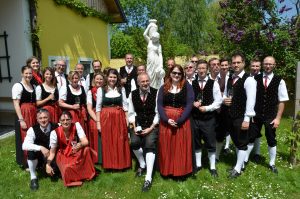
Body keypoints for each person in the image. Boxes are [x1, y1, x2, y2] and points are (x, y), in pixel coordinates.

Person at [247, 56, 289, 173]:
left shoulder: (280, 81)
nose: (268, 66)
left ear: (274, 65)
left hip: (271, 115)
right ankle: (244, 160)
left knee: (271, 138)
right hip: (256, 114)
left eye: (270, 64)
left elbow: (282, 101)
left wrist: (278, 118)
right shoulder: (255, 78)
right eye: (266, 64)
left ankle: (271, 163)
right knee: (251, 137)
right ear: (262, 65)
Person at [223, 52, 256, 178]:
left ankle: (237, 169)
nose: (236, 65)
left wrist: (247, 119)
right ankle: (239, 165)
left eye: (238, 62)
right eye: (234, 62)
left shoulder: (249, 80)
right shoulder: (230, 78)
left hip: (241, 117)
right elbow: (226, 95)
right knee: (236, 142)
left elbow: (251, 101)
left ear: (244, 63)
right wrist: (225, 100)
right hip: (231, 115)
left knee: (242, 143)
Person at [157, 65, 194, 177]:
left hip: (182, 122)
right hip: (166, 122)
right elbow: (159, 105)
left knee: (180, 147)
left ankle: (181, 171)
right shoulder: (163, 87)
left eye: (179, 73)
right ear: (170, 73)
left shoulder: (187, 86)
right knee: (167, 147)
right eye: (174, 73)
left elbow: (189, 104)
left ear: (182, 75)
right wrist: (166, 119)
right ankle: (167, 170)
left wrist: (180, 120)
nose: (176, 75)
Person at [46, 111, 97, 187]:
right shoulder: (54, 133)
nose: (65, 122)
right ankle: (77, 176)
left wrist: (80, 144)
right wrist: (48, 164)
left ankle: (84, 174)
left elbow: (86, 141)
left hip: (76, 152)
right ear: (59, 121)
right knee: (67, 169)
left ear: (71, 120)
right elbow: (52, 152)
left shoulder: (76, 126)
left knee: (87, 149)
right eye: (63, 120)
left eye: (67, 119)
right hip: (63, 155)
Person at [128, 72, 159, 192]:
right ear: (138, 83)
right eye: (143, 81)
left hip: (153, 125)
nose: (145, 83)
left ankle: (148, 178)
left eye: (147, 81)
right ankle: (142, 164)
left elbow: (158, 113)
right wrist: (135, 126)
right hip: (138, 125)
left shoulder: (156, 93)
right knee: (134, 143)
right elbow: (131, 112)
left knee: (149, 144)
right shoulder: (133, 94)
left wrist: (151, 128)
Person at [191, 60, 222, 177]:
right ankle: (198, 165)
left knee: (210, 142)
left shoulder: (213, 83)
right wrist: (193, 103)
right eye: (199, 68)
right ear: (196, 70)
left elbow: (218, 101)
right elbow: (188, 100)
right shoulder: (191, 83)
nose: (202, 70)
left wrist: (208, 108)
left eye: (204, 68)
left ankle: (212, 167)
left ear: (207, 69)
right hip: (195, 118)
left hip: (209, 118)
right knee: (197, 142)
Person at [96, 68, 131, 170]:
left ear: (117, 78)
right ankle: (110, 165)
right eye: (110, 77)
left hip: (119, 118)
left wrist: (127, 120)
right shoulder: (101, 90)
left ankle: (121, 164)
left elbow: (125, 106)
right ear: (107, 77)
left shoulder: (121, 89)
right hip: (105, 118)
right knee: (108, 140)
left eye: (114, 77)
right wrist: (98, 123)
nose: (112, 79)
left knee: (120, 139)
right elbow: (98, 108)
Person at [22, 109, 59, 191]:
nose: (43, 120)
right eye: (40, 118)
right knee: (31, 151)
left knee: (55, 174)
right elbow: (24, 145)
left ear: (49, 118)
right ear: (37, 119)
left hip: (53, 154)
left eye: (45, 117)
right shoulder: (32, 129)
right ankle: (33, 177)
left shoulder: (57, 126)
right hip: (39, 156)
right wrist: (40, 148)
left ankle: (53, 168)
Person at [12, 65, 37, 167]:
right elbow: (16, 104)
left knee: (34, 135)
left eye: (30, 73)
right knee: (26, 136)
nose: (28, 75)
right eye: (26, 73)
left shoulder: (33, 86)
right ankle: (27, 162)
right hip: (24, 113)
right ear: (22, 74)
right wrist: (21, 119)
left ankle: (35, 158)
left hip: (33, 113)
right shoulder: (18, 86)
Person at [215, 58, 232, 160]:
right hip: (217, 106)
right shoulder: (216, 77)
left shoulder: (232, 77)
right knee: (219, 128)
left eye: (226, 65)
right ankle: (217, 153)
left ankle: (227, 146)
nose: (224, 67)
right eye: (222, 65)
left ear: (229, 66)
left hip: (228, 106)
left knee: (228, 128)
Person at [87, 72, 105, 164]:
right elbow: (89, 109)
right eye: (97, 79)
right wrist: (97, 120)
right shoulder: (90, 92)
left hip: (105, 114)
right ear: (94, 80)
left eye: (101, 79)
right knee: (95, 129)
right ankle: (97, 158)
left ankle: (106, 157)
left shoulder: (106, 90)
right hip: (94, 115)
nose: (99, 81)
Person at [143, 22, 165, 89]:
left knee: (156, 77)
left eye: (156, 39)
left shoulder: (159, 45)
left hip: (156, 62)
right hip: (149, 62)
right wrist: (149, 26)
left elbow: (160, 55)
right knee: (149, 75)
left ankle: (156, 90)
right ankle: (150, 89)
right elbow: (144, 34)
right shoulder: (149, 41)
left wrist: (161, 65)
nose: (155, 40)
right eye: (154, 38)